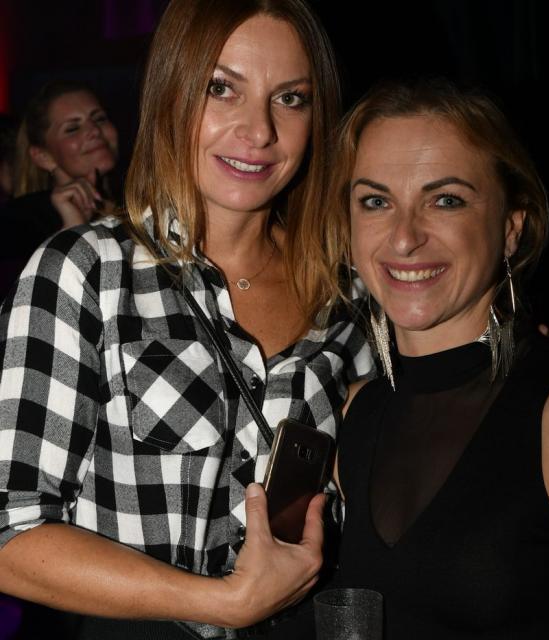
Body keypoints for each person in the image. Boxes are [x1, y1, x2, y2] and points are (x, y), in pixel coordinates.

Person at [0, 1, 374, 639]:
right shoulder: (88, 270)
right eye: (222, 89)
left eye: (290, 98)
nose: (259, 131)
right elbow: (11, 531)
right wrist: (222, 602)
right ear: (171, 93)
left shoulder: (348, 290)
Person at [329, 79, 549, 638]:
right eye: (376, 201)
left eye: (445, 200)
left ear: (511, 228)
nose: (404, 237)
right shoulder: (355, 413)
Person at [0, 80, 119, 300]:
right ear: (43, 156)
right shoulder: (21, 220)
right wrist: (72, 231)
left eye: (99, 118)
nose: (94, 131)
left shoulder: (139, 203)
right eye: (73, 128)